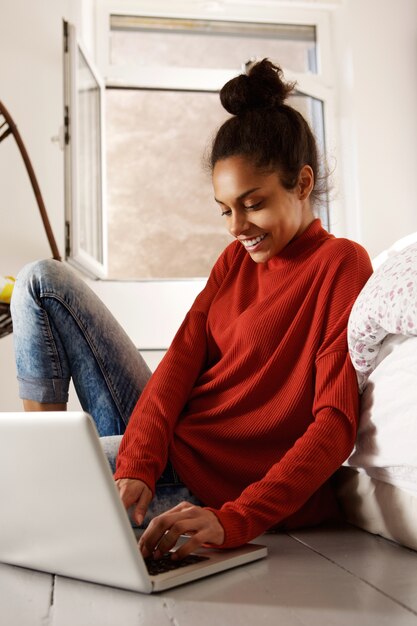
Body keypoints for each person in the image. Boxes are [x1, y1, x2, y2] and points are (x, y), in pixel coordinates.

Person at [11, 59, 372, 561]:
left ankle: (56, 464)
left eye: (253, 204)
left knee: (26, 486)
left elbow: (334, 425)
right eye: (225, 209)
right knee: (39, 280)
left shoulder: (341, 264)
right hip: (167, 447)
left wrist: (234, 519)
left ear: (303, 183)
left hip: (215, 486)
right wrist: (137, 460)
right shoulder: (234, 262)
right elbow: (176, 369)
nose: (236, 227)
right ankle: (47, 445)